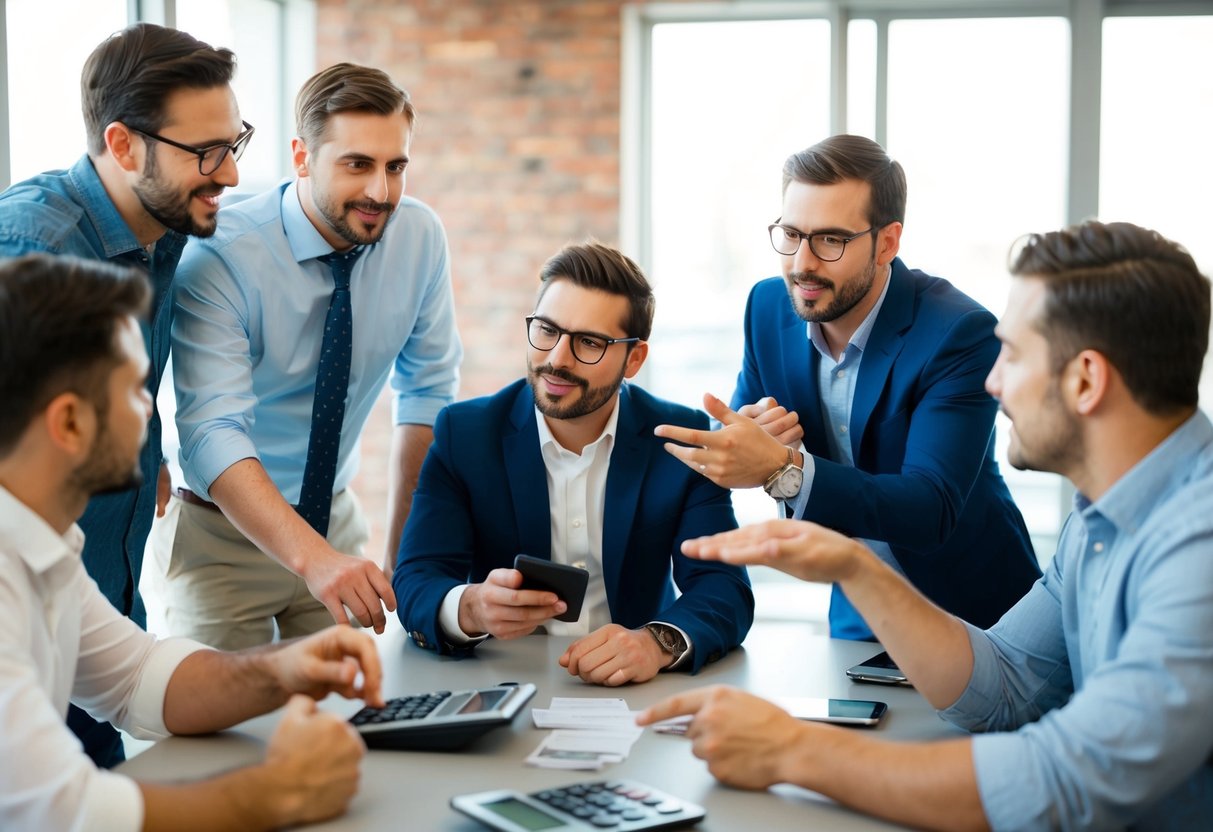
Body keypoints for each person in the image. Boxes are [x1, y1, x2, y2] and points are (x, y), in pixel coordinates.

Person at [639, 220, 1213, 830]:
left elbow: (1069, 779)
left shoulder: (1197, 543)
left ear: (1086, 380)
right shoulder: (1098, 517)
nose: (993, 383)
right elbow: (1009, 684)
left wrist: (791, 750)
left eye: (1012, 356)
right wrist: (851, 565)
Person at [0, 253, 384, 830]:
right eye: (136, 391)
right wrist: (280, 791)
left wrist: (283, 668)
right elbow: (68, 812)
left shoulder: (42, 542)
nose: (154, 417)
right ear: (70, 423)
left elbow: (138, 679)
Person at [656, 134, 1040, 639]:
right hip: (858, 616)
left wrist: (782, 467)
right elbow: (741, 433)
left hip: (979, 614)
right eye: (791, 234)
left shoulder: (958, 332)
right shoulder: (768, 308)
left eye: (831, 240)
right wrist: (744, 439)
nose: (802, 263)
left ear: (888, 242)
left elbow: (929, 509)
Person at [0, 23, 247, 767]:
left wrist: (147, 448)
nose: (229, 173)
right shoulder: (34, 248)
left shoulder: (166, 228)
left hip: (97, 623)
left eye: (235, 144)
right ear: (123, 143)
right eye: (206, 152)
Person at [157, 62, 461, 650]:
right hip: (220, 540)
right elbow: (213, 431)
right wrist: (313, 559)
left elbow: (427, 391)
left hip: (337, 521)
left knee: (348, 721)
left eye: (394, 166)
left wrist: (404, 547)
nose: (380, 191)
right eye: (357, 164)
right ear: (302, 157)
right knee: (220, 735)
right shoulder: (220, 256)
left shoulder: (419, 238)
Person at [394, 242, 754, 686]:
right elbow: (416, 578)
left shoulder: (681, 439)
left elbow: (725, 589)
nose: (557, 359)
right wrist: (471, 606)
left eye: (589, 342)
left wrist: (655, 643)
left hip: (638, 687)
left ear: (634, 359)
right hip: (502, 682)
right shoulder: (465, 435)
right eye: (547, 330)